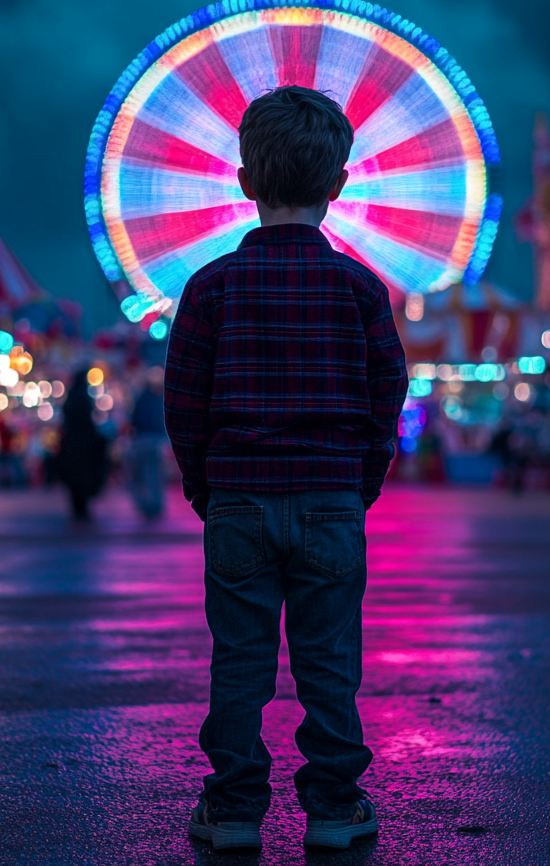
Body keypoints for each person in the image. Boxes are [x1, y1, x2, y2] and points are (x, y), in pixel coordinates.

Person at [164, 86, 407, 853]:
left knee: (239, 661)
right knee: (329, 659)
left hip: (238, 494)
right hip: (332, 495)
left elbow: (184, 400)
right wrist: (360, 481)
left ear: (244, 182)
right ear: (338, 187)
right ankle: (335, 807)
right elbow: (386, 392)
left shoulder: (210, 288)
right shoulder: (362, 290)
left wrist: (206, 485)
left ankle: (234, 808)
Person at [56, 370, 110, 521]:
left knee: (75, 479)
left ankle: (77, 506)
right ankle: (83, 506)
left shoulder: (71, 397)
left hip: (73, 444)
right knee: (84, 477)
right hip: (85, 444)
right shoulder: (85, 398)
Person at [128, 366, 167, 519]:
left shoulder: (142, 398)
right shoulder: (158, 400)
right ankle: (156, 504)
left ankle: (147, 504)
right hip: (155, 440)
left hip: (143, 439)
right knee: (155, 474)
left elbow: (134, 419)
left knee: (143, 474)